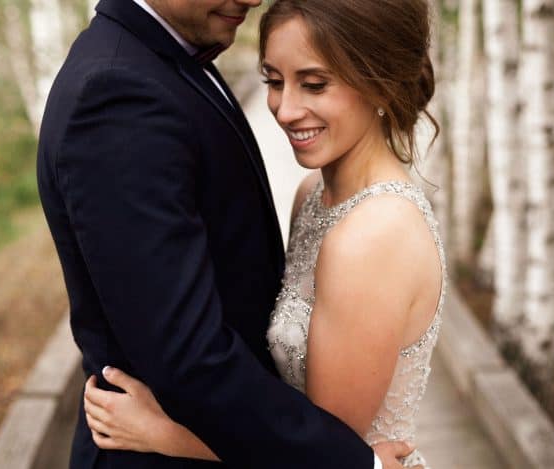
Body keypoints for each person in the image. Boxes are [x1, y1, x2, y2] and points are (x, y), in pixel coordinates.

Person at [37, 0, 416, 467]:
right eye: (273, 82)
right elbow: (188, 356)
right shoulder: (118, 91)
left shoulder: (170, 60)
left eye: (312, 83)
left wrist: (168, 434)